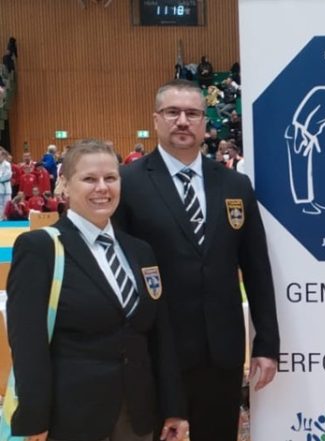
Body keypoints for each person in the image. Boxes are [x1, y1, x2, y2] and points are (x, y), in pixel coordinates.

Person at [113, 79, 280, 441]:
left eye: (192, 113)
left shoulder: (235, 185)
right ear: (156, 119)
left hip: (222, 352)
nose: (182, 121)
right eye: (172, 112)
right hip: (157, 351)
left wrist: (267, 343)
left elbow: (256, 268)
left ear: (205, 122)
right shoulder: (128, 183)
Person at [6, 139, 189, 441]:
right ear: (64, 185)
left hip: (138, 415)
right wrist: (34, 417)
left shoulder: (140, 251)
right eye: (89, 179)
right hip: (71, 417)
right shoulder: (40, 248)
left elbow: (160, 336)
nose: (102, 188)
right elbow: (28, 342)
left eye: (110, 178)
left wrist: (174, 407)